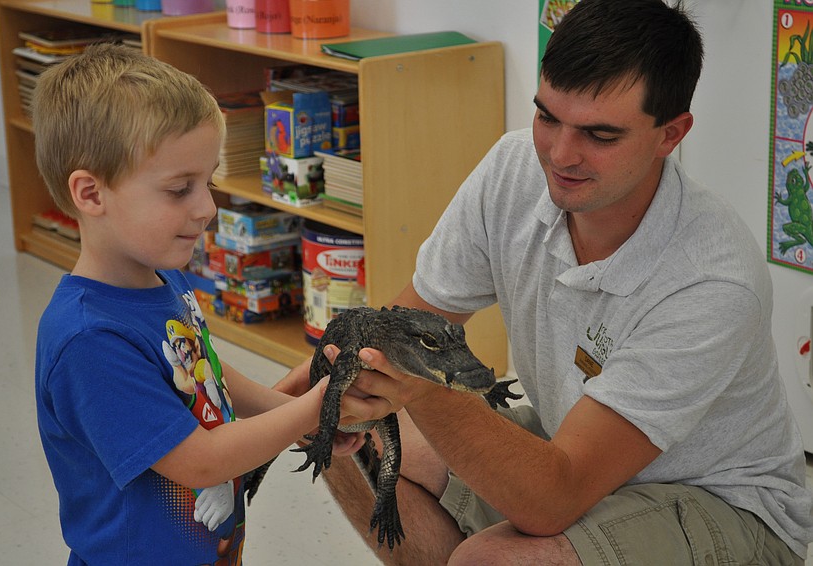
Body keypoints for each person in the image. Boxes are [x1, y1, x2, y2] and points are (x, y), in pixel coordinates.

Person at [276, 0, 813, 563]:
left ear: (670, 134)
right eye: (547, 116)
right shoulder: (515, 168)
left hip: (725, 508)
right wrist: (295, 399)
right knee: (350, 435)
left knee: (491, 559)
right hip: (577, 449)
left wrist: (420, 387)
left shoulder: (711, 280)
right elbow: (402, 326)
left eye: (600, 135)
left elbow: (552, 499)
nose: (559, 154)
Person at [32, 43, 388, 565]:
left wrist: (299, 415)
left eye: (209, 181)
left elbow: (205, 377)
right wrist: (320, 404)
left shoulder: (163, 278)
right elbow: (200, 463)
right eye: (180, 189)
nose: (207, 208)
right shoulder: (91, 341)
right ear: (90, 194)